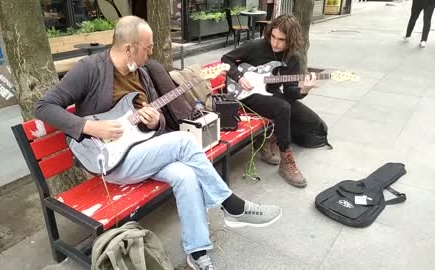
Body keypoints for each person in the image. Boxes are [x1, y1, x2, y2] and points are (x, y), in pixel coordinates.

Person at [35, 16, 282, 270]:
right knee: (185, 141)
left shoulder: (142, 72)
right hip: (110, 159)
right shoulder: (90, 69)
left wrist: (155, 123)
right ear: (129, 47)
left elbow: (160, 123)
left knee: (186, 175)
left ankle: (197, 253)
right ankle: (231, 205)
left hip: (143, 152)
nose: (151, 52)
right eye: (147, 47)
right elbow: (43, 107)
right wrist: (89, 126)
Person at [221, 14, 320, 188]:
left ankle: (268, 140)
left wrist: (304, 89)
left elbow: (289, 90)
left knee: (292, 108)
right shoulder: (256, 46)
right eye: (273, 37)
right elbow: (226, 59)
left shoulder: (293, 58)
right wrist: (238, 77)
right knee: (283, 107)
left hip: (270, 93)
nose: (275, 43)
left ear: (292, 39)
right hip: (247, 93)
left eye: (281, 40)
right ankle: (286, 161)